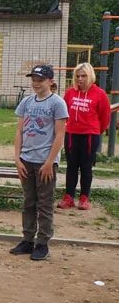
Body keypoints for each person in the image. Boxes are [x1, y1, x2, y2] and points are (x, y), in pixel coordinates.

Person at [9, 64, 68, 261]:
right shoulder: (27, 102)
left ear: (50, 81)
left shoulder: (57, 103)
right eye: (34, 79)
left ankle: (42, 243)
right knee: (28, 202)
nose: (36, 83)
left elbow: (60, 135)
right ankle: (27, 239)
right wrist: (17, 158)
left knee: (44, 203)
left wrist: (50, 161)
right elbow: (19, 131)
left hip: (45, 162)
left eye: (40, 80)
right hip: (27, 159)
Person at [57, 63, 111, 210]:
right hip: (72, 135)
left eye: (83, 76)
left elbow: (105, 118)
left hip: (90, 136)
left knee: (86, 167)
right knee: (71, 167)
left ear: (90, 76)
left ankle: (84, 198)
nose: (80, 79)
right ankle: (69, 197)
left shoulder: (100, 94)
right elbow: (63, 112)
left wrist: (95, 131)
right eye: (78, 76)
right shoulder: (70, 93)